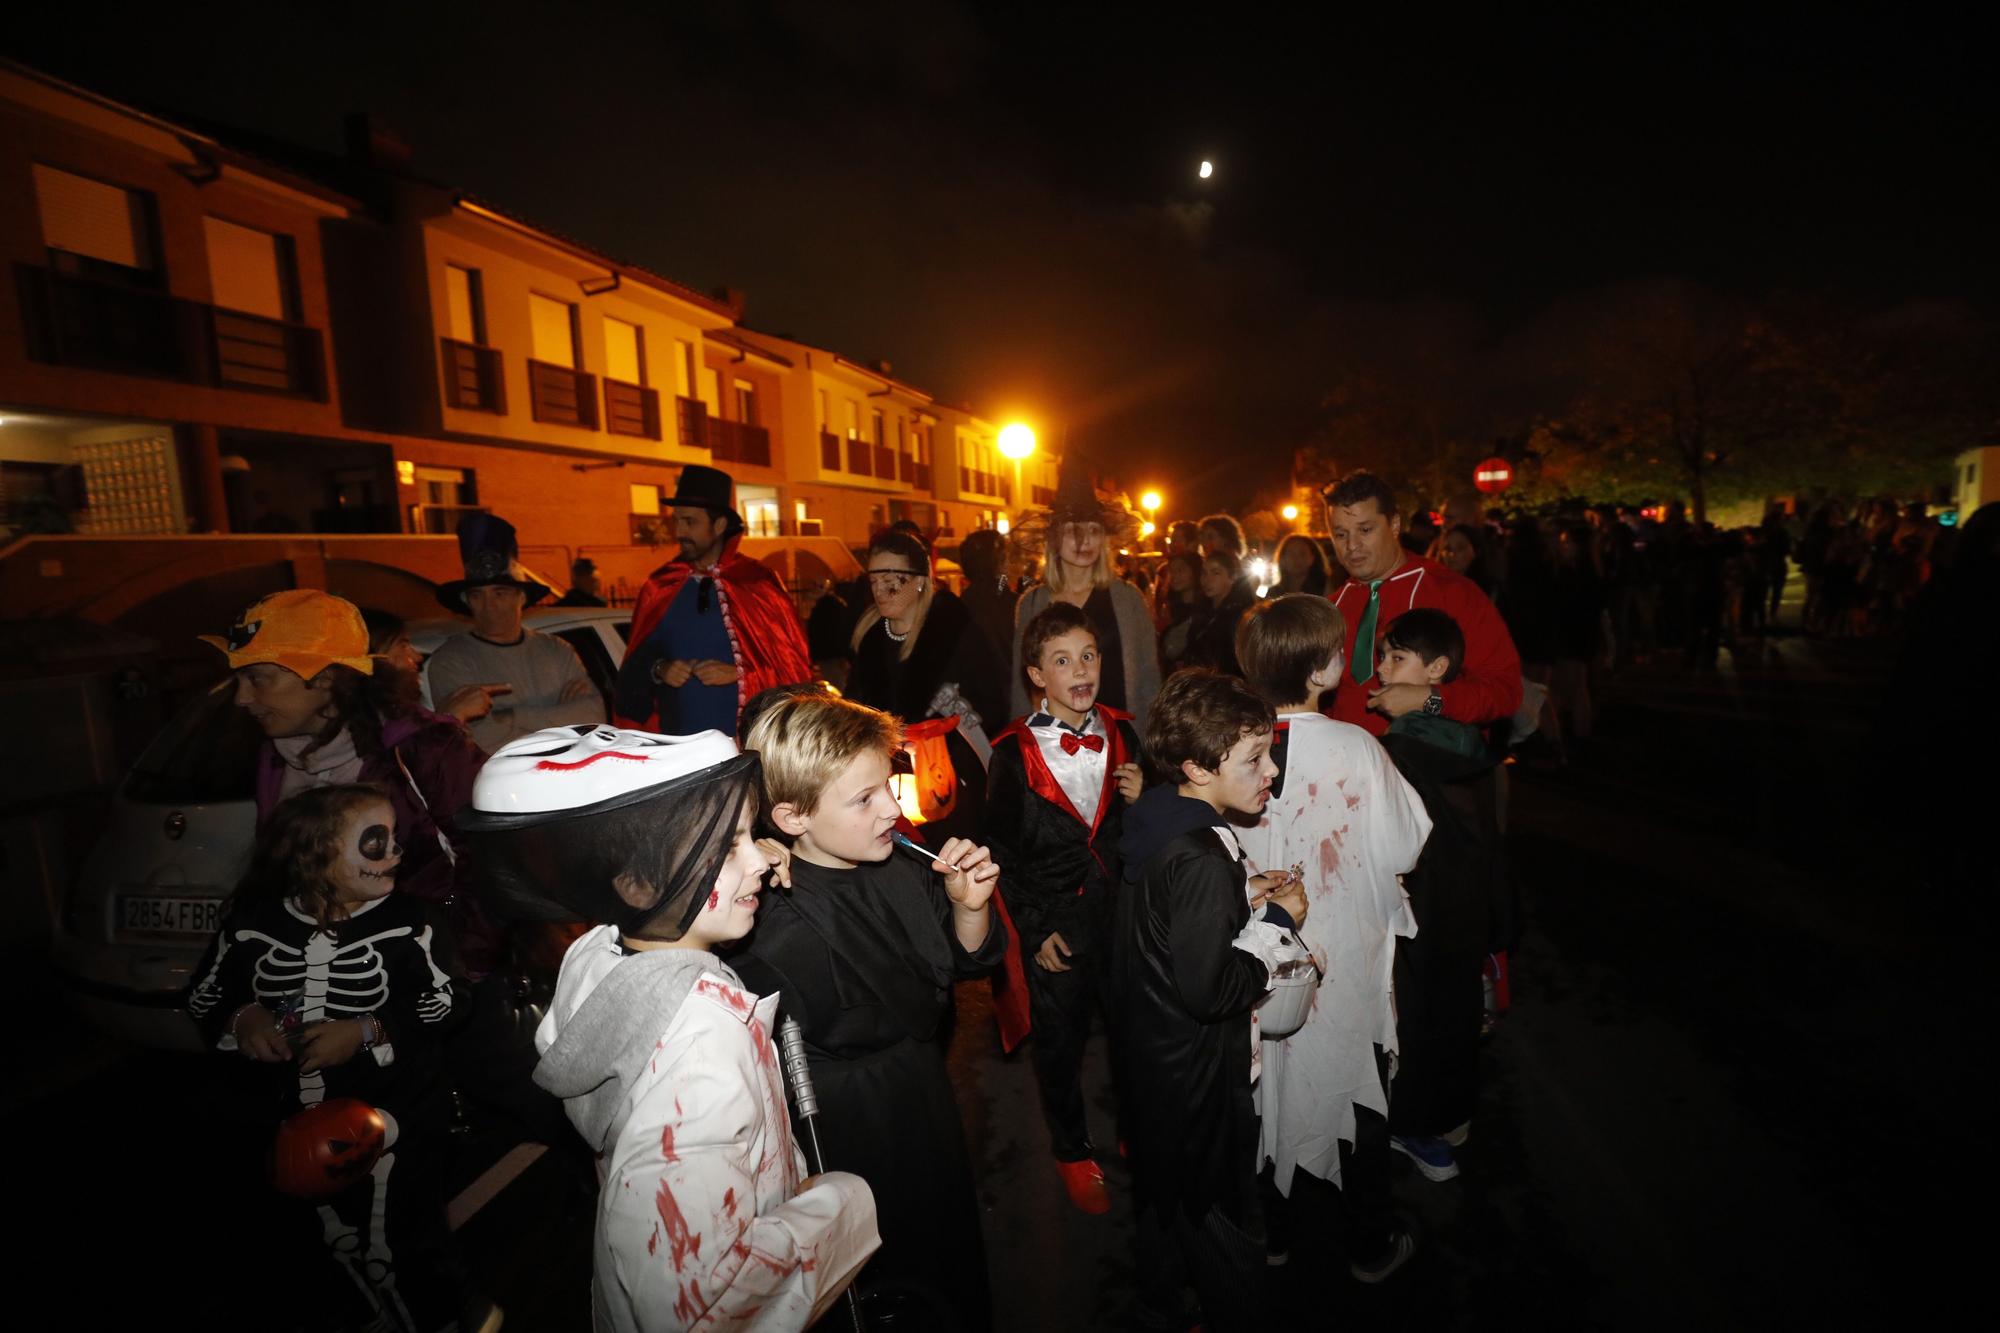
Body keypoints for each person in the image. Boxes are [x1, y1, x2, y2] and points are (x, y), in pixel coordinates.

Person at [462, 726, 880, 1332]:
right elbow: (703, 1300)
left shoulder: (601, 954)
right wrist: (833, 1203)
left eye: (748, 837)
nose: (762, 856)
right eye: (729, 846)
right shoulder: (701, 1046)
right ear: (637, 884)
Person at [734, 692, 1006, 1330]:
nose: (893, 806)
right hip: (846, 1132)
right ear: (792, 817)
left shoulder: (898, 864)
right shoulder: (767, 913)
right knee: (881, 1286)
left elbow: (960, 964)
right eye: (865, 799)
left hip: (922, 1099)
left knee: (946, 1264)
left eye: (887, 784)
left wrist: (969, 907)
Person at [187, 785, 464, 1331]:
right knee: (319, 1247)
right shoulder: (252, 925)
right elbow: (203, 995)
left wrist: (367, 1028)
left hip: (396, 1115)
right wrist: (244, 1019)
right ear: (315, 853)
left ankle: (439, 1319)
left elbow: (451, 1000)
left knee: (406, 1239)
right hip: (287, 1121)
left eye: (394, 839)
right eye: (374, 841)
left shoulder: (412, 923)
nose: (394, 852)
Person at [1233, 596, 1430, 1281]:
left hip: (1261, 952)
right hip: (1342, 953)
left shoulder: (1230, 750)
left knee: (1265, 1091)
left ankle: (1275, 1233)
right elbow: (1406, 843)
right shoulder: (1357, 746)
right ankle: (1367, 1242)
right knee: (1358, 1090)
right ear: (1323, 666)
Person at [1115, 670, 1309, 1332]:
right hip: (1196, 1077)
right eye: (1254, 758)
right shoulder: (1201, 853)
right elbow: (1213, 988)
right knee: (1222, 1216)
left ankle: (1159, 1304)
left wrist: (1241, 891)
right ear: (1199, 765)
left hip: (1154, 1064)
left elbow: (1168, 921)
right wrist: (1276, 922)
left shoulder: (1161, 814)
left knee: (1165, 1204)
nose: (1271, 770)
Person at [201, 590, 496, 977]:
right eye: (238, 679)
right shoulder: (275, 755)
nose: (241, 697)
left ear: (323, 678)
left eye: (256, 678)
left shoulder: (424, 748)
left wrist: (454, 979)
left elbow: (492, 867)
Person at [984, 603, 1144, 1214]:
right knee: (1061, 1042)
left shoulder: (1125, 731)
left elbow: (1136, 832)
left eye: (1088, 655)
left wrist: (1141, 795)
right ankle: (1071, 1147)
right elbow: (1002, 851)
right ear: (1037, 675)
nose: (1080, 670)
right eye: (1061, 660)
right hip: (1058, 925)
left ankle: (1135, 1127)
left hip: (1122, 916)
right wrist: (1034, 928)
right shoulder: (1011, 753)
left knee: (1133, 1031)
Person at [1372, 608, 1503, 1178]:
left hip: (1421, 904)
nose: (1380, 669)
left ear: (1438, 670)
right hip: (1466, 902)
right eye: (1383, 655)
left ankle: (1415, 1128)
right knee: (1454, 1007)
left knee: (1415, 1013)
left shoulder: (1402, 752)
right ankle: (1449, 1113)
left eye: (1396, 658)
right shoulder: (1469, 742)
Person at [615, 464, 813, 737]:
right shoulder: (661, 585)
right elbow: (636, 665)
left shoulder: (757, 583)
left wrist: (739, 674)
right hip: (677, 751)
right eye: (677, 521)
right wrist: (660, 669)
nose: (680, 532)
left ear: (719, 525)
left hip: (747, 751)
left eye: (690, 522)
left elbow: (793, 672)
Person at [1322, 471, 1522, 738]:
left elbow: (1504, 691)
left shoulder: (1452, 593)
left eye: (1365, 529)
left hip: (1429, 770)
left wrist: (1428, 699)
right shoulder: (1331, 608)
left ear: (1394, 525)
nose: (1352, 545)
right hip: (1348, 770)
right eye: (1340, 534)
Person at [845, 528, 1004, 846]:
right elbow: (854, 707)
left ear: (919, 579)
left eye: (892, 579)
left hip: (950, 789)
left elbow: (993, 707)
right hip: (884, 786)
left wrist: (945, 726)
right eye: (874, 580)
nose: (881, 590)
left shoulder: (955, 631)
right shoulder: (870, 637)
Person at [426, 513, 603, 754]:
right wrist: (561, 718)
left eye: (500, 593)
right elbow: (478, 740)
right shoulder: (450, 660)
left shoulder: (557, 649)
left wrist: (509, 716)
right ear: (467, 601)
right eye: (478, 596)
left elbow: (594, 715)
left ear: (522, 597)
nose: (489, 606)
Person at [1009, 465, 1163, 726]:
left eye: (1093, 531)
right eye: (1073, 531)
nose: (1085, 542)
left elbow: (1149, 679)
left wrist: (1151, 746)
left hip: (1122, 740)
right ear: (1054, 539)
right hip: (1057, 745)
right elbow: (1021, 684)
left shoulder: (1128, 599)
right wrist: (1022, 745)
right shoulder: (1032, 603)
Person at [1184, 549, 1258, 677]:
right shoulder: (1202, 610)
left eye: (1216, 573)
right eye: (1204, 573)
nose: (1207, 579)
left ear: (1232, 577)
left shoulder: (1240, 615)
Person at [956, 527, 1019, 660]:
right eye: (1007, 557)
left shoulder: (959, 607)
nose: (1011, 563)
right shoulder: (1016, 606)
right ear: (1000, 563)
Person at [1268, 533, 1329, 599]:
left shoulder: (1324, 588)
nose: (1296, 559)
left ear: (1312, 558)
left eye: (1302, 554)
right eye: (1291, 554)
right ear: (1283, 559)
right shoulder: (1274, 593)